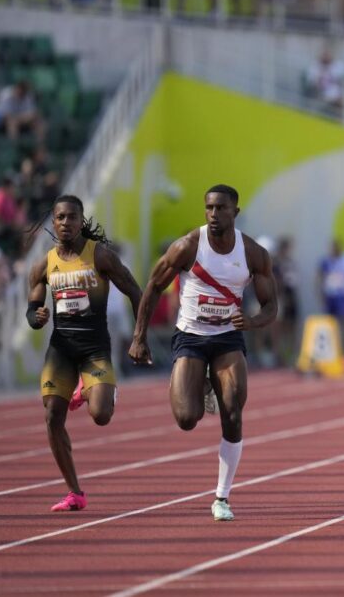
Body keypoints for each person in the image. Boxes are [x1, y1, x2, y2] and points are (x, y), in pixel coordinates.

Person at [128, 185, 277, 521]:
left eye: (221, 208)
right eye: (209, 207)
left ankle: (222, 497)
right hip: (191, 337)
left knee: (234, 410)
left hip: (228, 339)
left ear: (234, 213)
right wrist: (139, 338)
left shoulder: (253, 253)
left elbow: (272, 306)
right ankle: (196, 383)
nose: (213, 214)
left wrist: (251, 322)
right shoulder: (188, 246)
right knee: (186, 419)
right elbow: (152, 287)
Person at [25, 195, 143, 512]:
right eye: (60, 217)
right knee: (52, 417)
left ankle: (94, 390)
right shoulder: (44, 265)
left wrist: (139, 336)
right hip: (61, 348)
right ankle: (75, 492)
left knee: (101, 416)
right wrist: (35, 317)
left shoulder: (101, 256)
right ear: (54, 221)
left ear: (81, 220)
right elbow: (33, 308)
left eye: (72, 217)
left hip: (94, 348)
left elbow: (135, 291)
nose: (66, 223)